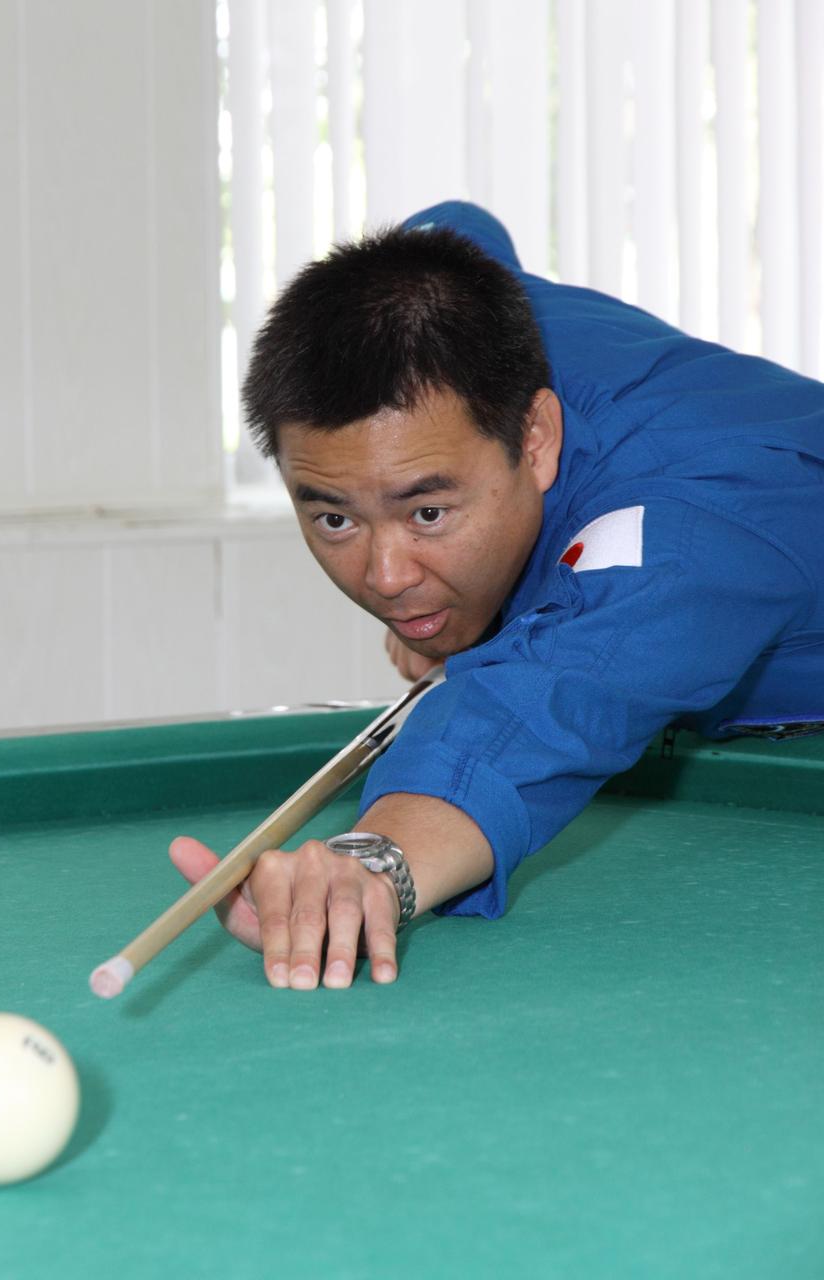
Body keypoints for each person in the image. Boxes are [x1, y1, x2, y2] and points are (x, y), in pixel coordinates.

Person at [170, 200, 824, 991]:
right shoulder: (457, 311)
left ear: (537, 440)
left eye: (428, 511)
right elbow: (454, 226)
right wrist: (458, 585)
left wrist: (376, 861)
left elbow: (550, 699)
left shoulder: (692, 526)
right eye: (337, 517)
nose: (387, 577)